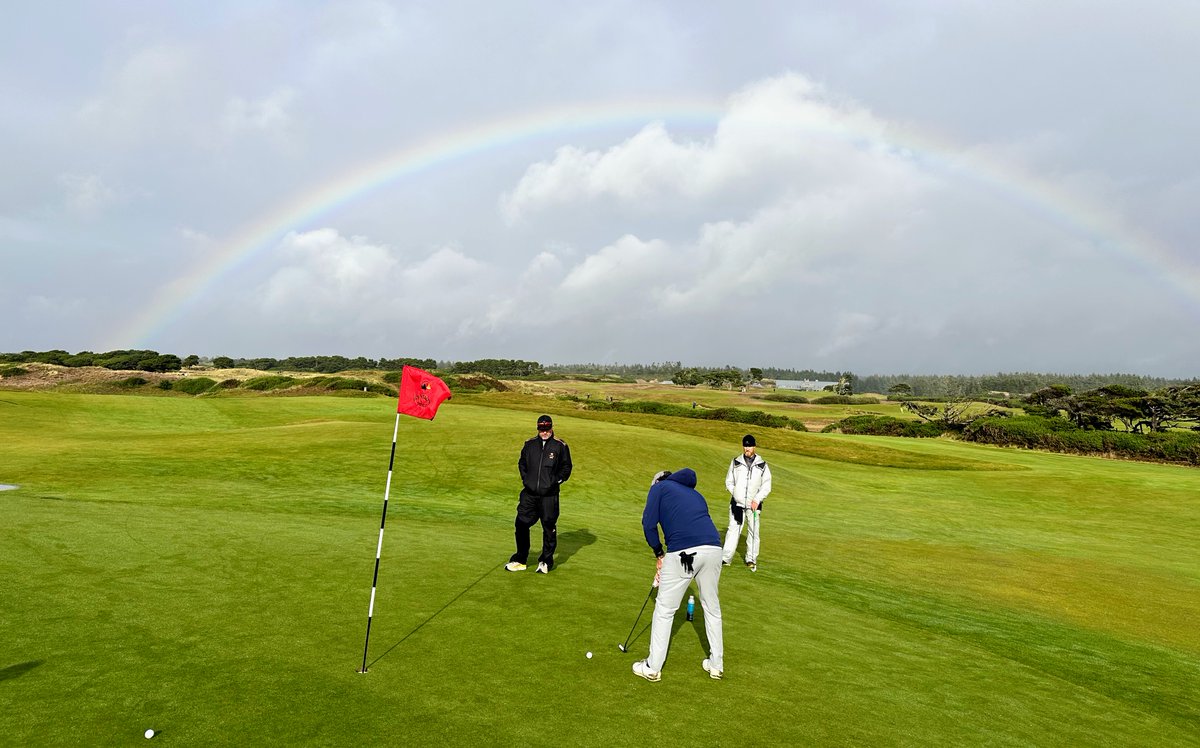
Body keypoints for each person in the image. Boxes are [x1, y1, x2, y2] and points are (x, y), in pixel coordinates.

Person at [633, 468, 724, 682]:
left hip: (684, 552)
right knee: (712, 608)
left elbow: (648, 524)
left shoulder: (659, 489)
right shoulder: (696, 495)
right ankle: (716, 665)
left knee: (665, 609)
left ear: (657, 482)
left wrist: (659, 554)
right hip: (714, 550)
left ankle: (653, 667)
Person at [505, 414, 573, 574]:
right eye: (541, 429)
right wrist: (526, 479)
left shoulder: (560, 446)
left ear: (551, 427)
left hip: (549, 495)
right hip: (529, 494)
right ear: (537, 428)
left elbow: (567, 467)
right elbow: (522, 463)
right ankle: (520, 559)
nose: (544, 432)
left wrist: (556, 481)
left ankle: (545, 561)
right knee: (521, 524)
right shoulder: (529, 444)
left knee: (548, 527)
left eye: (547, 428)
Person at [721, 434, 772, 572]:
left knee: (754, 531)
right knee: (733, 530)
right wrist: (736, 494)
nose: (746, 449)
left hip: (754, 506)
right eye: (745, 446)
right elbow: (729, 482)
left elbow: (766, 486)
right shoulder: (735, 462)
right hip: (736, 504)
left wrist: (757, 499)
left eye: (749, 446)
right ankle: (726, 558)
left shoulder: (762, 465)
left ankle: (751, 559)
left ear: (754, 447)